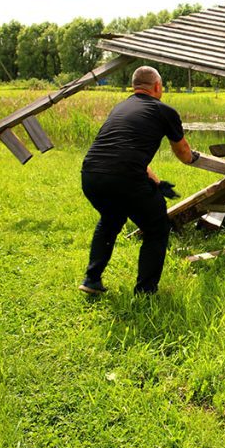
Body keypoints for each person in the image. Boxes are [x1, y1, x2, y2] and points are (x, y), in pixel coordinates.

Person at [79, 66, 200, 295]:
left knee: (111, 219)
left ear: (135, 86)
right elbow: (184, 153)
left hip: (91, 176)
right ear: (157, 86)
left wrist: (156, 182)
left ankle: (91, 279)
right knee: (157, 227)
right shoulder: (164, 111)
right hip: (124, 178)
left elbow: (123, 154)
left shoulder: (121, 107)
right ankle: (145, 291)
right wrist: (194, 157)